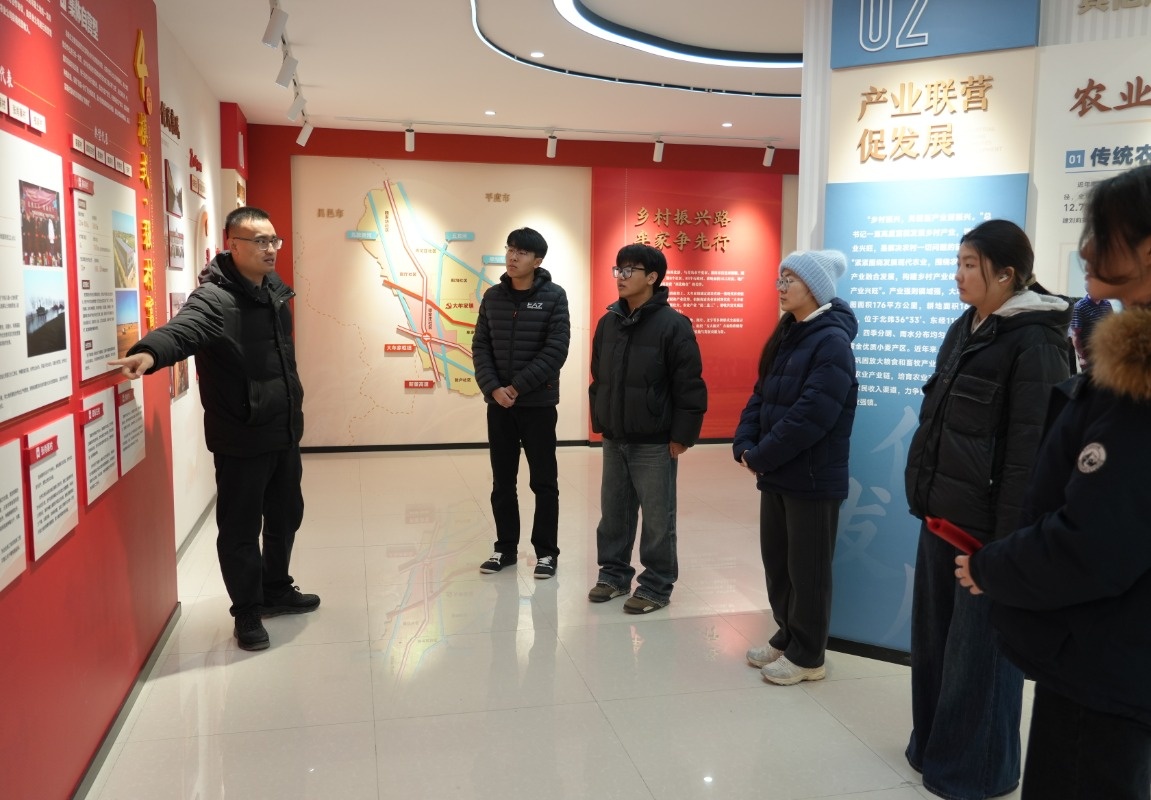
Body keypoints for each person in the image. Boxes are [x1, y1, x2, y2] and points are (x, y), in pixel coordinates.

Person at [956, 165, 1151, 800]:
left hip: (1110, 658)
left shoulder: (1131, 382)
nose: (1086, 249)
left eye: (1104, 233)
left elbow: (1096, 539)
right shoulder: (1119, 363)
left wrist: (995, 564)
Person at [903, 219, 1073, 799]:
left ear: (1007, 274)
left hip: (986, 536)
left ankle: (976, 772)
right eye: (959, 262)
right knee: (935, 649)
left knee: (982, 660)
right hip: (941, 518)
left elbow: (1032, 455)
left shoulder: (1037, 342)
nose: (958, 275)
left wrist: (1005, 549)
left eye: (970, 264)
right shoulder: (967, 326)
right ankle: (933, 749)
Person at [110, 206, 318, 652]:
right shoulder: (214, 298)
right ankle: (247, 611)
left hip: (282, 429)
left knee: (286, 515)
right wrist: (149, 352)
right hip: (241, 436)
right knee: (241, 528)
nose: (270, 249)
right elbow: (183, 330)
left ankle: (276, 589)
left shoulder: (274, 290)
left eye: (274, 240)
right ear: (233, 245)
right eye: (259, 241)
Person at [733, 250, 858, 686]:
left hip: (812, 476)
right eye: (780, 278)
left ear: (816, 287)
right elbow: (761, 395)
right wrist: (744, 443)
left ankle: (809, 655)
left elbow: (812, 415)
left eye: (790, 279)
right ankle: (788, 635)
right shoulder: (789, 333)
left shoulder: (832, 341)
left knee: (809, 571)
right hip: (778, 474)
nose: (781, 287)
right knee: (780, 564)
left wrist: (762, 455)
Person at [587, 244, 706, 613]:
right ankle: (613, 575)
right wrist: (602, 421)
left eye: (629, 270)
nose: (620, 277)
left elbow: (689, 385)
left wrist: (682, 436)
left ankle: (656, 585)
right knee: (614, 513)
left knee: (657, 519)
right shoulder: (608, 323)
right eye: (618, 269)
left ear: (652, 277)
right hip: (615, 437)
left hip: (654, 441)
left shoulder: (674, 325)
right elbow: (599, 378)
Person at [472, 227, 570, 578]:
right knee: (502, 481)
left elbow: (556, 350)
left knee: (544, 482)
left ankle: (546, 553)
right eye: (510, 249)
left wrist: (516, 387)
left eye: (522, 252)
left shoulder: (554, 297)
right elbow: (480, 346)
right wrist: (493, 388)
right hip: (499, 405)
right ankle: (505, 549)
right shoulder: (493, 297)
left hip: (538, 404)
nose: (512, 257)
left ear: (537, 260)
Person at [1069, 291, 1113, 370]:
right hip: (1089, 354)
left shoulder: (1107, 304)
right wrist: (1081, 357)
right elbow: (1075, 334)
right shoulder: (1079, 306)